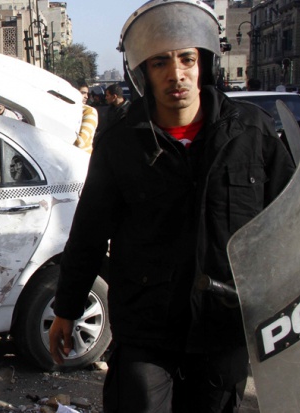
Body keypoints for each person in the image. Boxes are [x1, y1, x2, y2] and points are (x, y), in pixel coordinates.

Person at [47, 1, 295, 412]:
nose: (176, 74)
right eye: (160, 62)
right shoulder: (122, 144)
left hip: (223, 327)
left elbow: (287, 225)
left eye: (186, 59)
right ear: (143, 72)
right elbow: (89, 232)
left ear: (204, 64)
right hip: (147, 331)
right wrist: (67, 309)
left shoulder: (251, 133)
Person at [75, 82, 98, 153]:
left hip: (81, 158)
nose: (86, 96)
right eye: (83, 93)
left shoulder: (89, 111)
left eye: (87, 93)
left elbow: (80, 142)